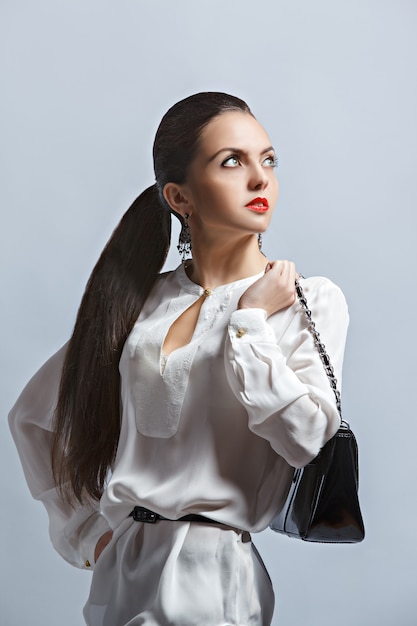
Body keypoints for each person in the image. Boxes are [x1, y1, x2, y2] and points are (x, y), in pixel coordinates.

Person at [8, 92, 349, 626]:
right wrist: (88, 533)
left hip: (213, 576)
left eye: (269, 159)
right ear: (179, 196)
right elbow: (32, 418)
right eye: (231, 161)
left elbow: (305, 439)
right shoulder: (139, 303)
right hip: (121, 572)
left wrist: (251, 323)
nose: (260, 179)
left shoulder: (308, 301)